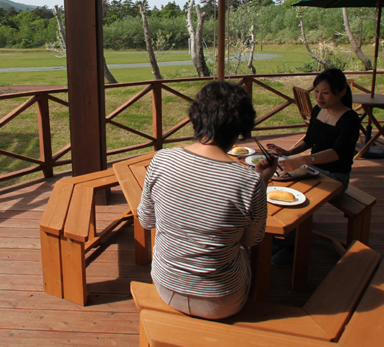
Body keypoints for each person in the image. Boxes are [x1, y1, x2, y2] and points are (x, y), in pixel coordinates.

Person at [137, 82, 277, 320]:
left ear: (196, 117)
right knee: (240, 250)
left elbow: (146, 221)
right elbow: (252, 239)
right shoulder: (248, 181)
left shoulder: (161, 160)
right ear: (241, 126)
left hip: (165, 285)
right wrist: (262, 180)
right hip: (222, 301)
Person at [267, 68, 361, 267]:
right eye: (316, 91)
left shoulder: (350, 119)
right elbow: (310, 139)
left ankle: (292, 249)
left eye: (325, 92)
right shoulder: (318, 111)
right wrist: (288, 153)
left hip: (335, 177)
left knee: (298, 196)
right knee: (277, 183)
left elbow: (337, 153)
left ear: (342, 92)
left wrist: (303, 161)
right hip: (314, 170)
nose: (319, 97)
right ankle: (278, 237)